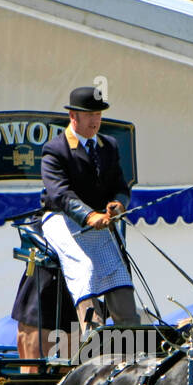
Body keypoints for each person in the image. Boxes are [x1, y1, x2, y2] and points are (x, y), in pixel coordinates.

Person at [38, 86, 139, 338]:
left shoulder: (109, 146)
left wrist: (118, 204)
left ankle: (133, 335)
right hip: (62, 218)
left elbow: (120, 185)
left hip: (100, 221)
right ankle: (94, 336)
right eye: (90, 115)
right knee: (84, 266)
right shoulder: (55, 149)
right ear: (74, 117)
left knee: (116, 266)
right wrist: (87, 215)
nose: (96, 120)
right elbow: (59, 194)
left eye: (98, 114)